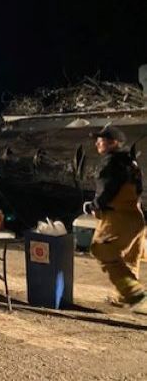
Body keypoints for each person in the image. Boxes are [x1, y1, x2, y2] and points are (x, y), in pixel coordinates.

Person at [86, 126, 147, 314]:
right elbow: (139, 190)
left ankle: (132, 291)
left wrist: (93, 205)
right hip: (137, 217)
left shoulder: (110, 162)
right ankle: (126, 297)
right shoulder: (132, 163)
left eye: (101, 140)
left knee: (102, 248)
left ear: (113, 143)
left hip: (117, 216)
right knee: (130, 258)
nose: (97, 143)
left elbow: (107, 189)